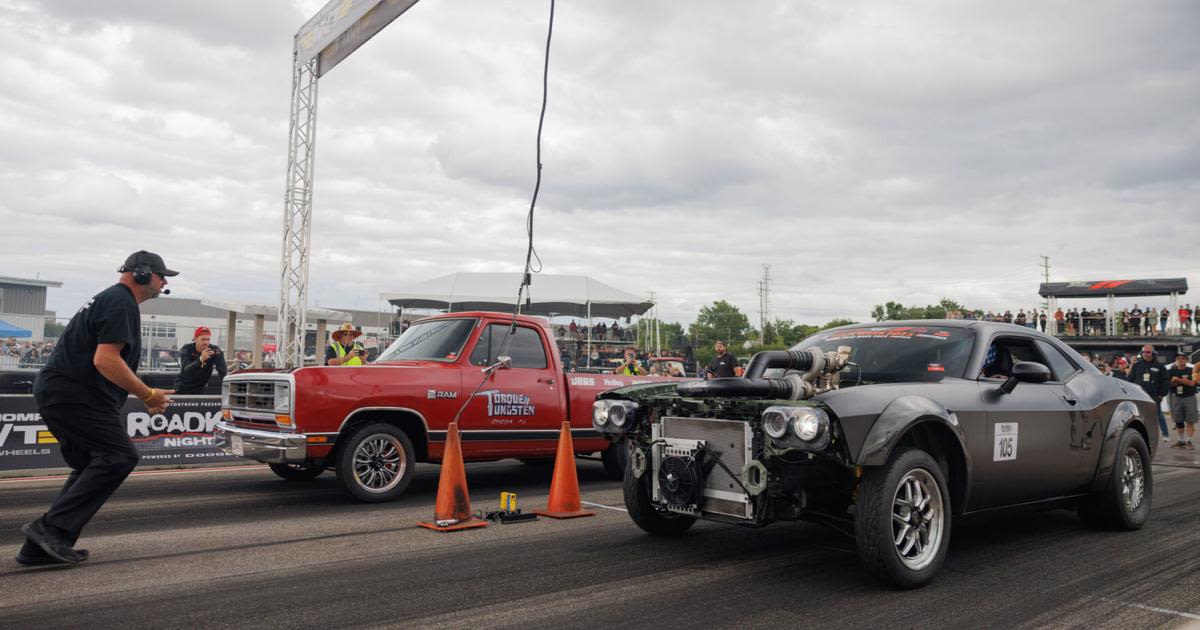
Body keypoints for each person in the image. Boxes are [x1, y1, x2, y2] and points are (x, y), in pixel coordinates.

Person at [17, 251, 176, 566]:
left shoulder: (112, 300)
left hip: (64, 393)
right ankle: (49, 529)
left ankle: (42, 547)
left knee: (90, 462)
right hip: (75, 396)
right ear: (143, 274)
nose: (164, 283)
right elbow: (105, 359)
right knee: (120, 456)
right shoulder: (121, 302)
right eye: (162, 276)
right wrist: (147, 394)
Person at [1128, 344, 1169, 442]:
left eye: (1148, 352)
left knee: (1158, 416)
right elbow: (1130, 380)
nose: (1145, 354)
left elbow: (1165, 381)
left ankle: (1165, 434)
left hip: (1154, 397)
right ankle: (1144, 435)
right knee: (1140, 417)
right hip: (1139, 396)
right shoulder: (1136, 366)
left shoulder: (1160, 367)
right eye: (1143, 352)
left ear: (1153, 353)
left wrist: (1161, 395)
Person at [173, 326, 228, 394]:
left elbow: (222, 370)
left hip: (200, 387)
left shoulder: (215, 350)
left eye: (208, 339)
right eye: (203, 339)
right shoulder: (186, 349)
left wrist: (228, 387)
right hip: (183, 386)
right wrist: (201, 359)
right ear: (195, 339)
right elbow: (186, 369)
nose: (206, 342)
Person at [1167, 354, 1197, 449]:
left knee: (1190, 420)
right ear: (1176, 360)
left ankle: (1188, 441)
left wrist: (1177, 380)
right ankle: (1181, 441)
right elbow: (1168, 384)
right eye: (1178, 358)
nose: (1181, 360)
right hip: (1176, 397)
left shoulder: (1192, 370)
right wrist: (1184, 381)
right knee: (1178, 421)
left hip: (1190, 397)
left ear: (1187, 360)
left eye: (1183, 358)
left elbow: (1192, 383)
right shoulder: (1170, 371)